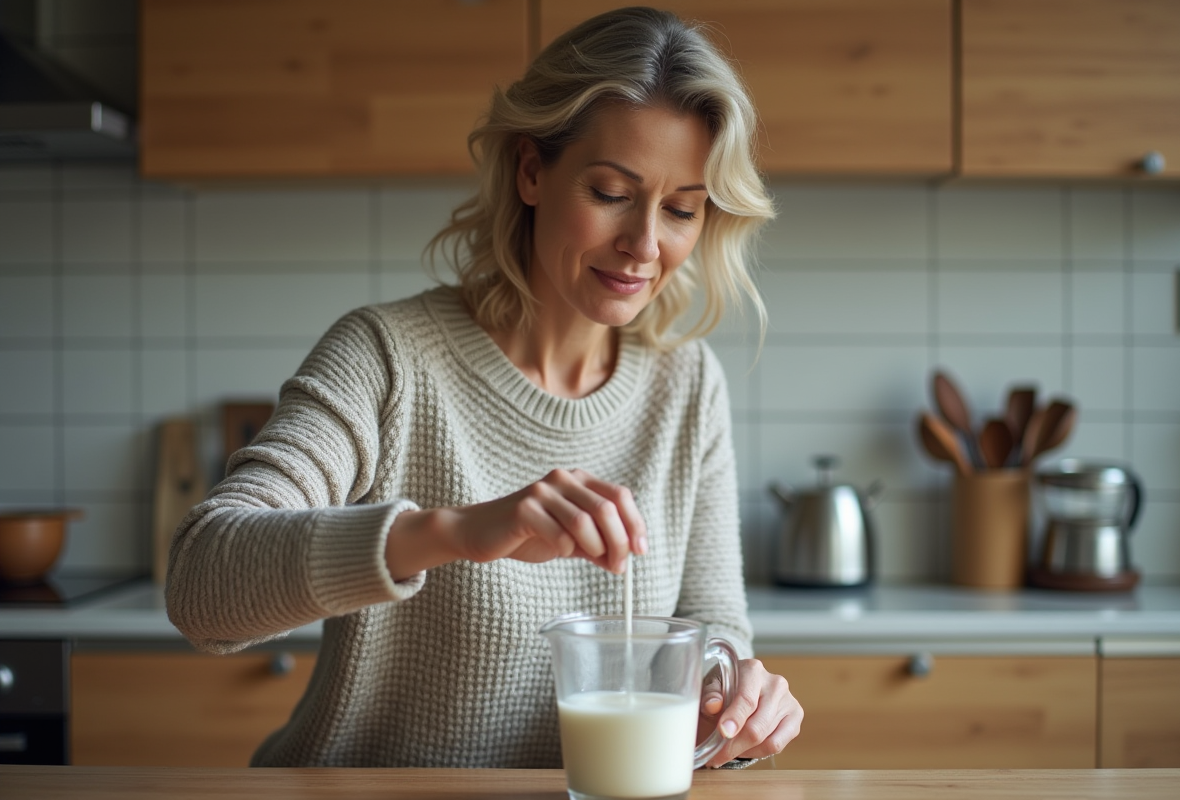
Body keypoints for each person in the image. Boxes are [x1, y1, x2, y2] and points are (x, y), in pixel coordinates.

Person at [167, 5, 803, 769]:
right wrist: (453, 533)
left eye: (680, 210)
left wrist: (736, 698)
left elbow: (711, 625)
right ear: (532, 171)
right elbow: (200, 587)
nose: (644, 244)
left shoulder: (688, 385)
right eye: (610, 193)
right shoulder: (387, 358)